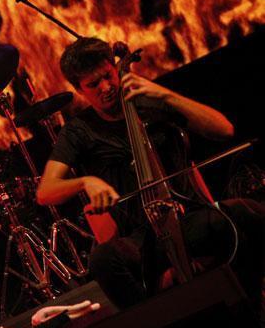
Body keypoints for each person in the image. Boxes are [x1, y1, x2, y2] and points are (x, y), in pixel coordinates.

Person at [37, 37, 265, 310]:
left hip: (191, 219)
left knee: (248, 212)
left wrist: (164, 95)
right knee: (103, 259)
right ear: (80, 90)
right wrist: (85, 182)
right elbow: (45, 191)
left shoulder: (150, 102)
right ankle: (159, 321)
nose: (106, 88)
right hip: (143, 240)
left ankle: (250, 303)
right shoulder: (78, 131)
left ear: (116, 67)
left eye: (108, 76)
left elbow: (224, 130)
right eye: (93, 84)